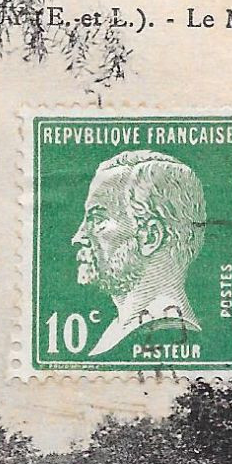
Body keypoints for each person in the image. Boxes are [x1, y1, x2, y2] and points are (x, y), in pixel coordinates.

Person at [72, 149, 207, 357]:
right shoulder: (121, 330)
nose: (78, 237)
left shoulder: (165, 331)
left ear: (150, 237)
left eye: (98, 220)